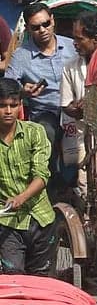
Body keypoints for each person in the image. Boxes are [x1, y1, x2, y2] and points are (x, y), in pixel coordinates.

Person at [5, 3, 75, 186]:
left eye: (46, 24)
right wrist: (22, 91)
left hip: (75, 111)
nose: (42, 30)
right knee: (45, 133)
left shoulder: (72, 46)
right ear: (28, 29)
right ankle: (47, 185)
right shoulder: (21, 55)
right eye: (36, 27)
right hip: (45, 113)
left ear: (53, 21)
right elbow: (7, 85)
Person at [0, 78, 53, 275]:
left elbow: (41, 174)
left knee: (41, 280)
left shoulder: (35, 132)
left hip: (40, 218)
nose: (7, 111)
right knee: (14, 279)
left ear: (20, 106)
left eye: (13, 106)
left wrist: (21, 198)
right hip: (7, 222)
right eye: (2, 106)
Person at [59, 12, 97, 197]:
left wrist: (93, 106)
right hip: (83, 136)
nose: (74, 43)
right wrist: (80, 110)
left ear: (95, 39)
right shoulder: (70, 67)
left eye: (79, 39)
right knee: (86, 187)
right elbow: (66, 105)